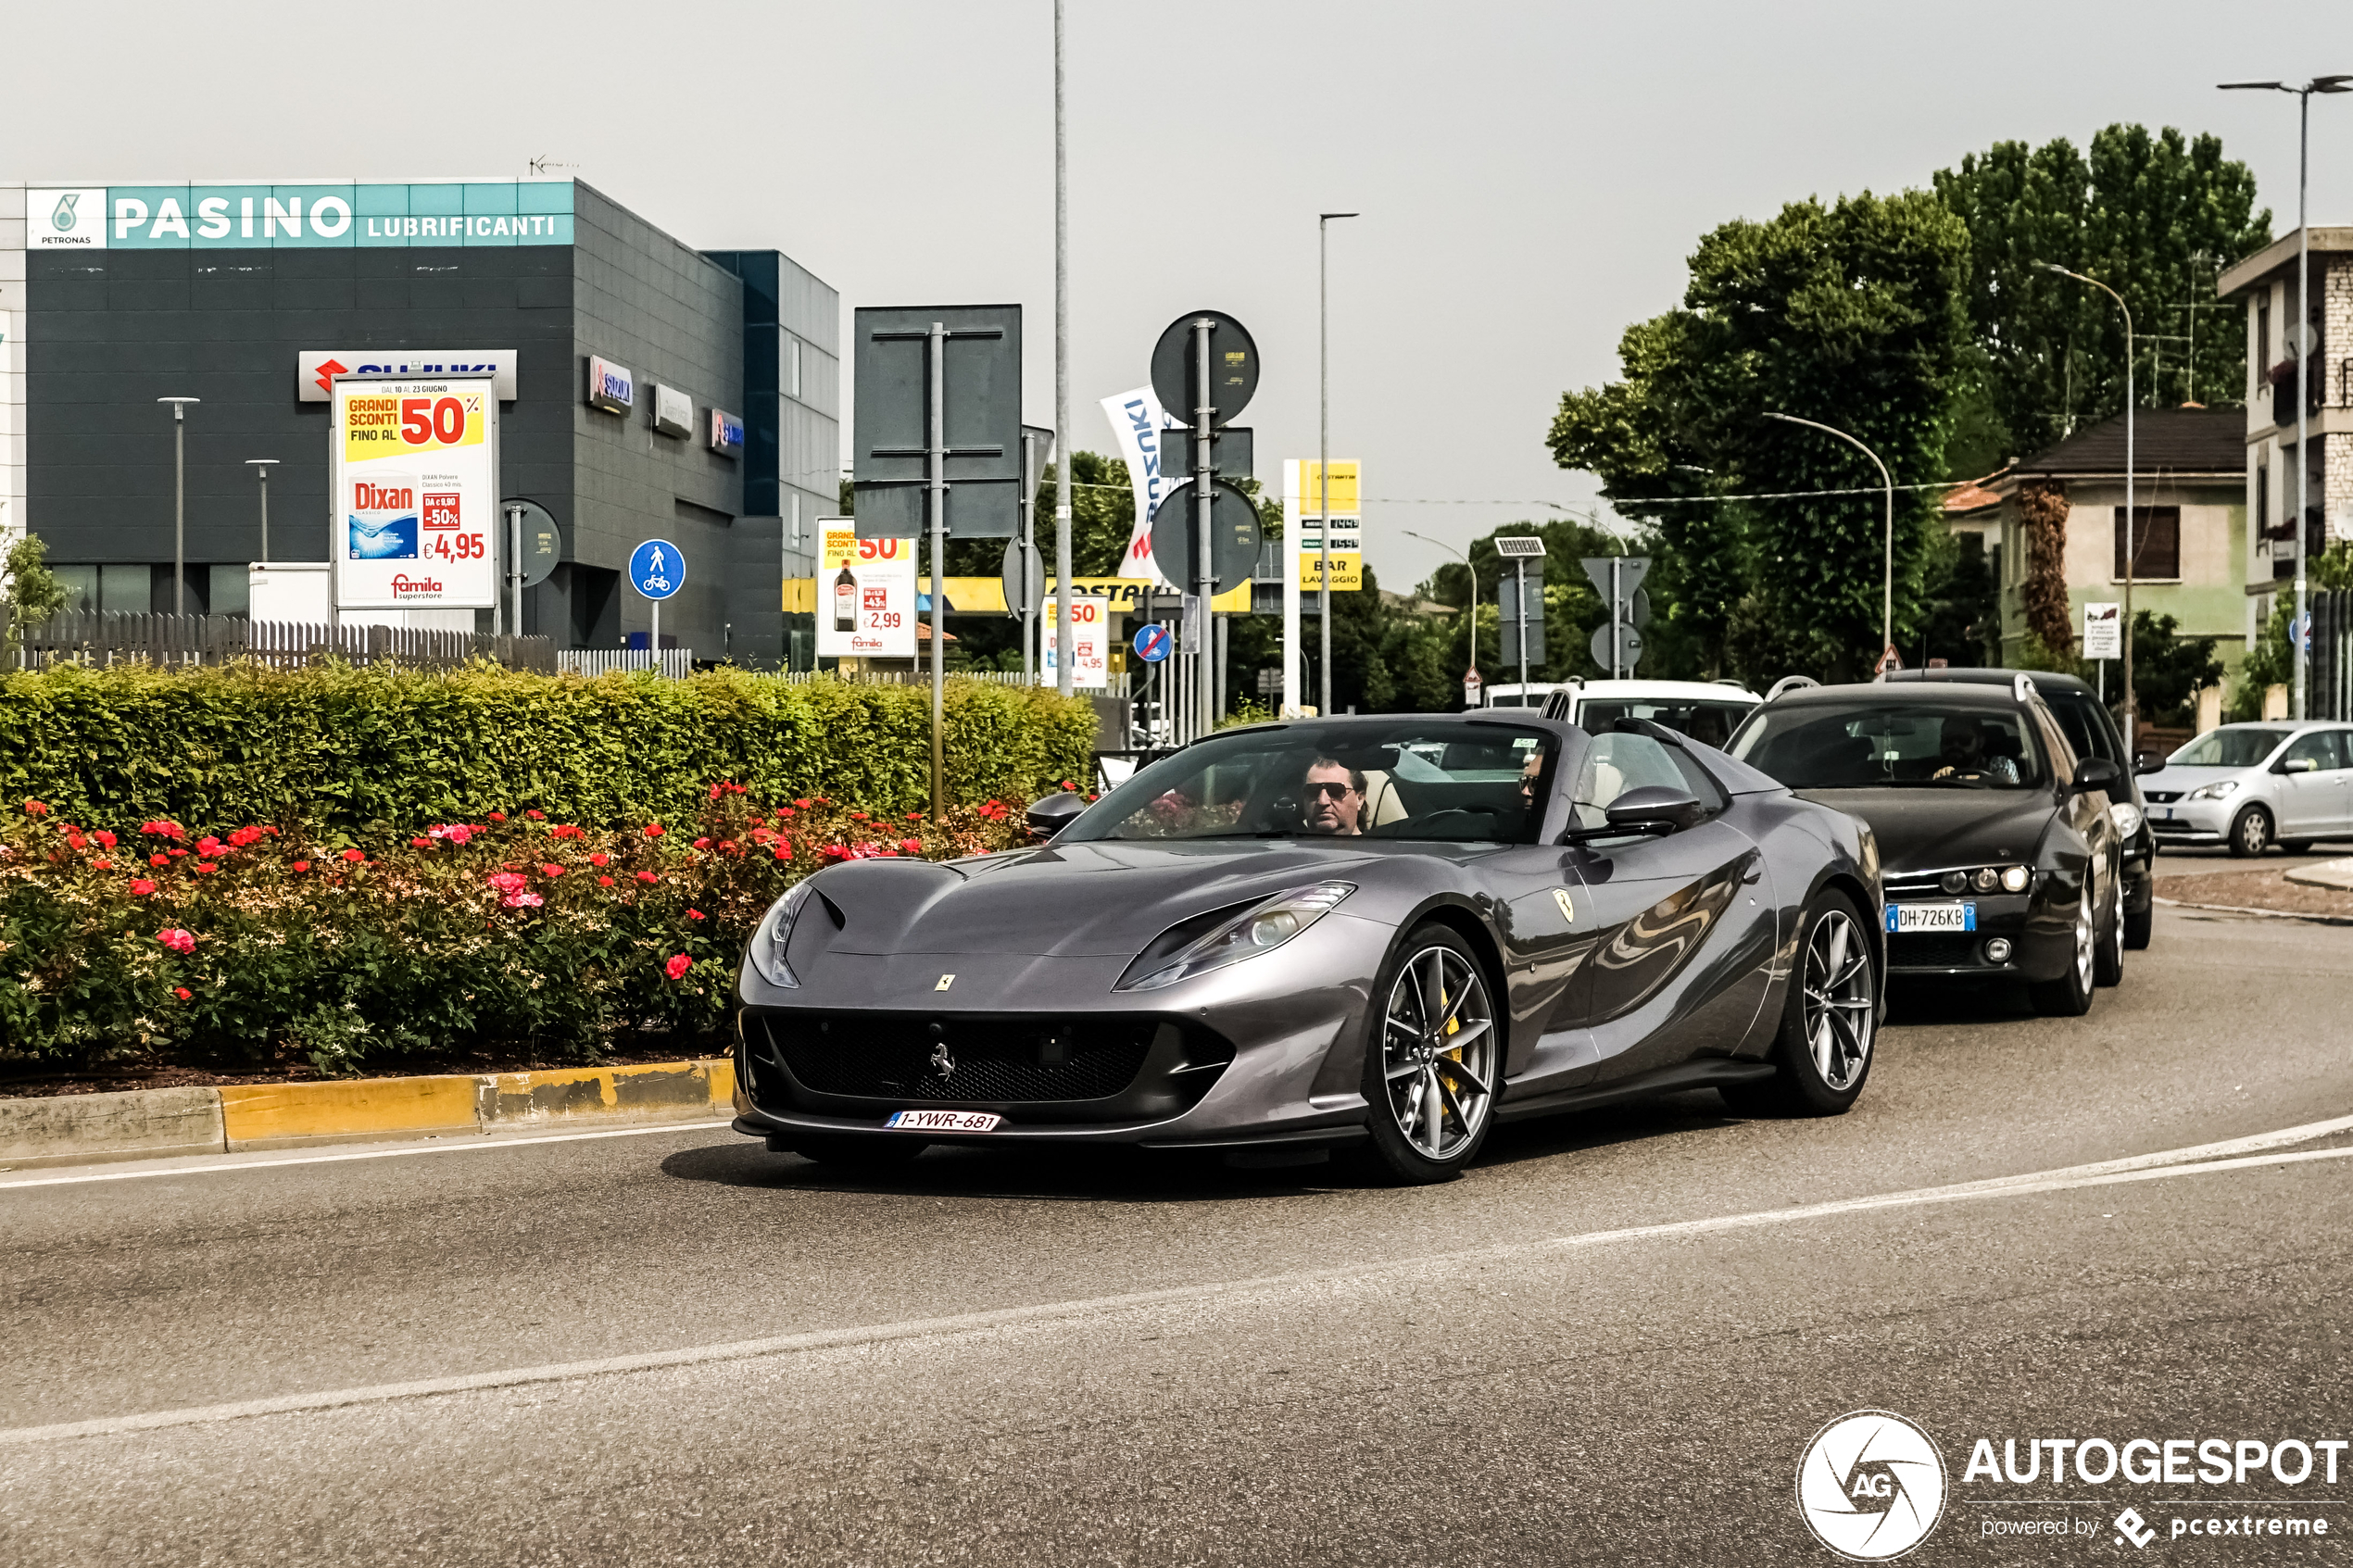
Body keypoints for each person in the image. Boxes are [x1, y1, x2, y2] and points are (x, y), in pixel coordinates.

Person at [1931, 714, 2020, 784]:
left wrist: (1953, 778)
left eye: (1964, 740)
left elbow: (2005, 785)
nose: (1955, 745)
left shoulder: (1999, 763)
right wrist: (1934, 779)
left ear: (1980, 742)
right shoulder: (1927, 768)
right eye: (1948, 739)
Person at [1302, 758, 1366, 835]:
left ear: (1359, 799)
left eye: (1336, 790)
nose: (1322, 801)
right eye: (1313, 791)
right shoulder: (1287, 844)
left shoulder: (1376, 846)